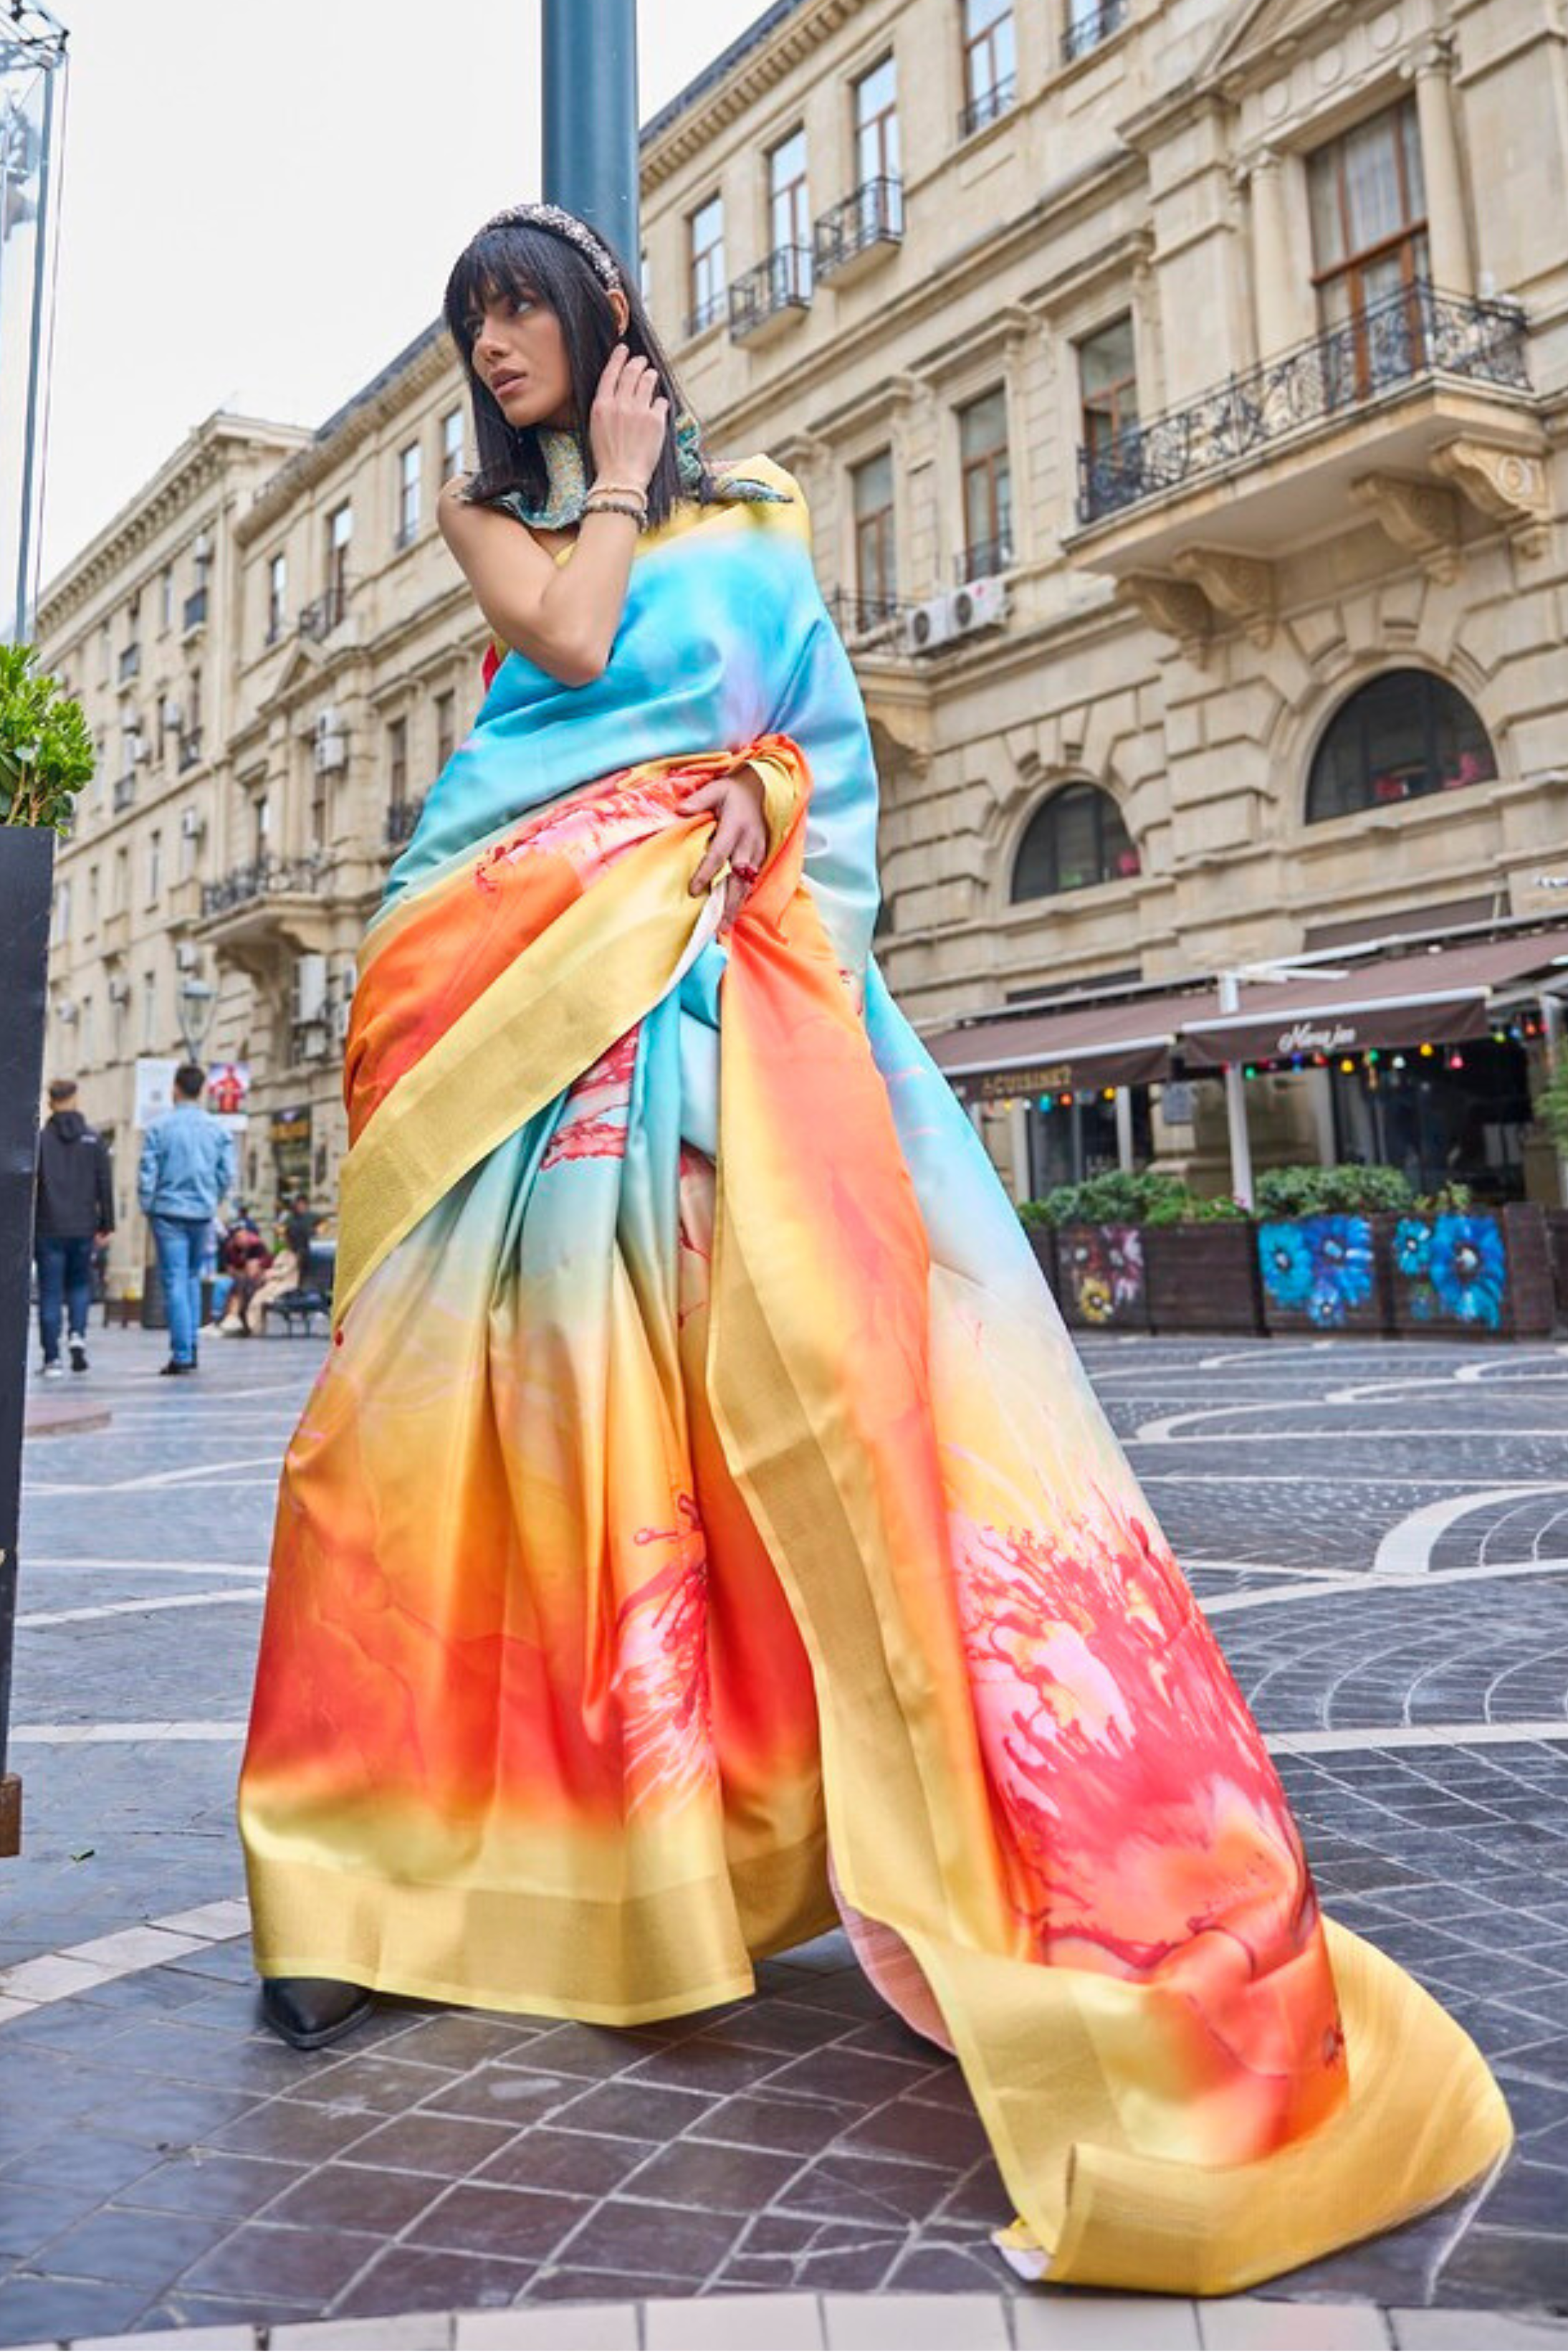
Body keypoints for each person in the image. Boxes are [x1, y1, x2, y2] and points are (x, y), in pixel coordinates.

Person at [239, 204, 1510, 2293]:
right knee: (457, 1452)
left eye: (519, 304)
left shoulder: (758, 516)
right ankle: (391, 1881)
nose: (492, 341)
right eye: (468, 317)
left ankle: (735, 1843)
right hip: (538, 1048)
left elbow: (815, 754)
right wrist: (621, 509)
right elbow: (563, 653)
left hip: (735, 1023)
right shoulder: (497, 525)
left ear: (603, 316)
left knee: (795, 1426)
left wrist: (760, 810)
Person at [138, 1063, 234, 1377]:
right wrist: (212, 1199)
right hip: (202, 1212)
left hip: (168, 1212)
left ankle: (181, 1353)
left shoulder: (159, 1128)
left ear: (175, 1089)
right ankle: (190, 1345)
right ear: (201, 1090)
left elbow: (147, 1174)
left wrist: (148, 1206)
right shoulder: (217, 1129)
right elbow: (227, 1174)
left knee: (176, 1279)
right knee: (192, 1276)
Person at [34, 1077, 114, 1379]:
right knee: (80, 1284)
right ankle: (77, 1335)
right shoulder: (94, 1141)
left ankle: (52, 1358)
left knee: (51, 1291)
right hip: (83, 1227)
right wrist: (106, 1223)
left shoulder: (40, 1140)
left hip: (48, 1226)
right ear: (75, 1099)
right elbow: (104, 1184)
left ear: (51, 1102)